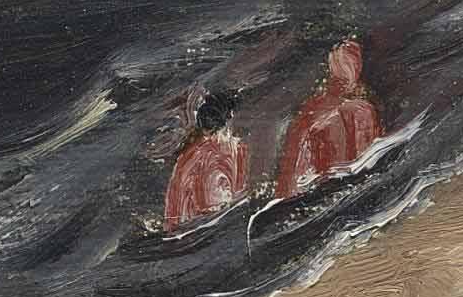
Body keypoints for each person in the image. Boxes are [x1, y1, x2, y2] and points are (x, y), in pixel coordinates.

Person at [275, 37, 383, 200]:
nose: (350, 71)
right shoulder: (312, 112)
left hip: (339, 189)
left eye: (353, 65)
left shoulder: (362, 110)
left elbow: (367, 161)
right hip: (321, 191)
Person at [162, 90, 250, 233]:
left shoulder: (238, 150)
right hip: (197, 231)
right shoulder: (199, 157)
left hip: (214, 226)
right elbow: (180, 216)